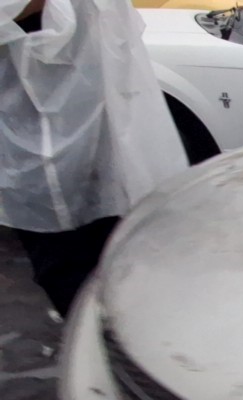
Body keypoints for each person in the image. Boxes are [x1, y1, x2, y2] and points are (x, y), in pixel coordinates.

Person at [1, 0, 188, 316]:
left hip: (78, 127)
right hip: (42, 138)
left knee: (83, 256)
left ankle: (103, 338)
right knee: (73, 256)